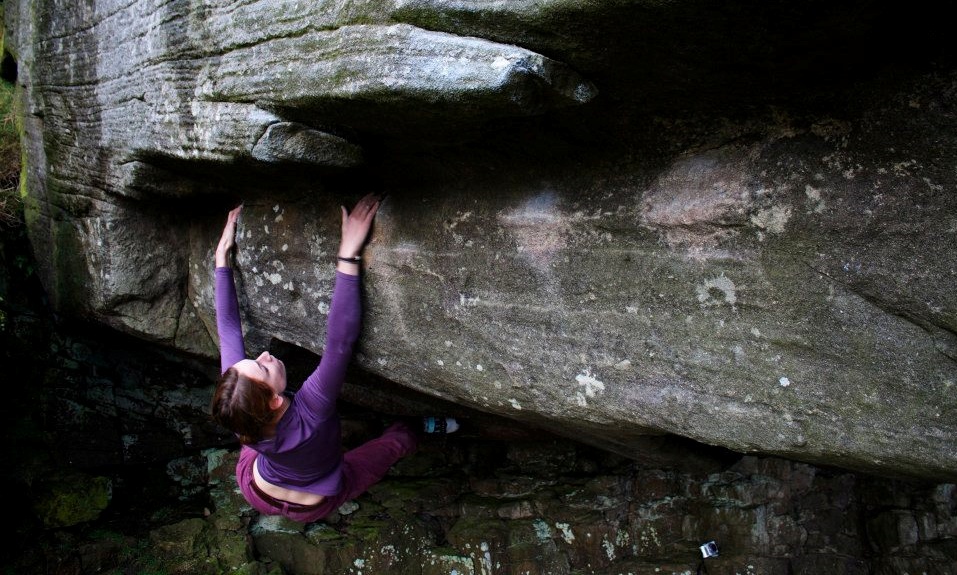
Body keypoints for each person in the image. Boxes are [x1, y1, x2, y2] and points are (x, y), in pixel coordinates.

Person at [210, 194, 456, 522]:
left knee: (242, 418)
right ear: (271, 400)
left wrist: (221, 262)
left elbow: (228, 331)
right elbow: (339, 343)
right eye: (263, 367)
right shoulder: (312, 409)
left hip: (258, 490)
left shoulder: (239, 409)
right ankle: (413, 428)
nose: (266, 355)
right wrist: (348, 254)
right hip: (319, 498)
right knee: (397, 443)